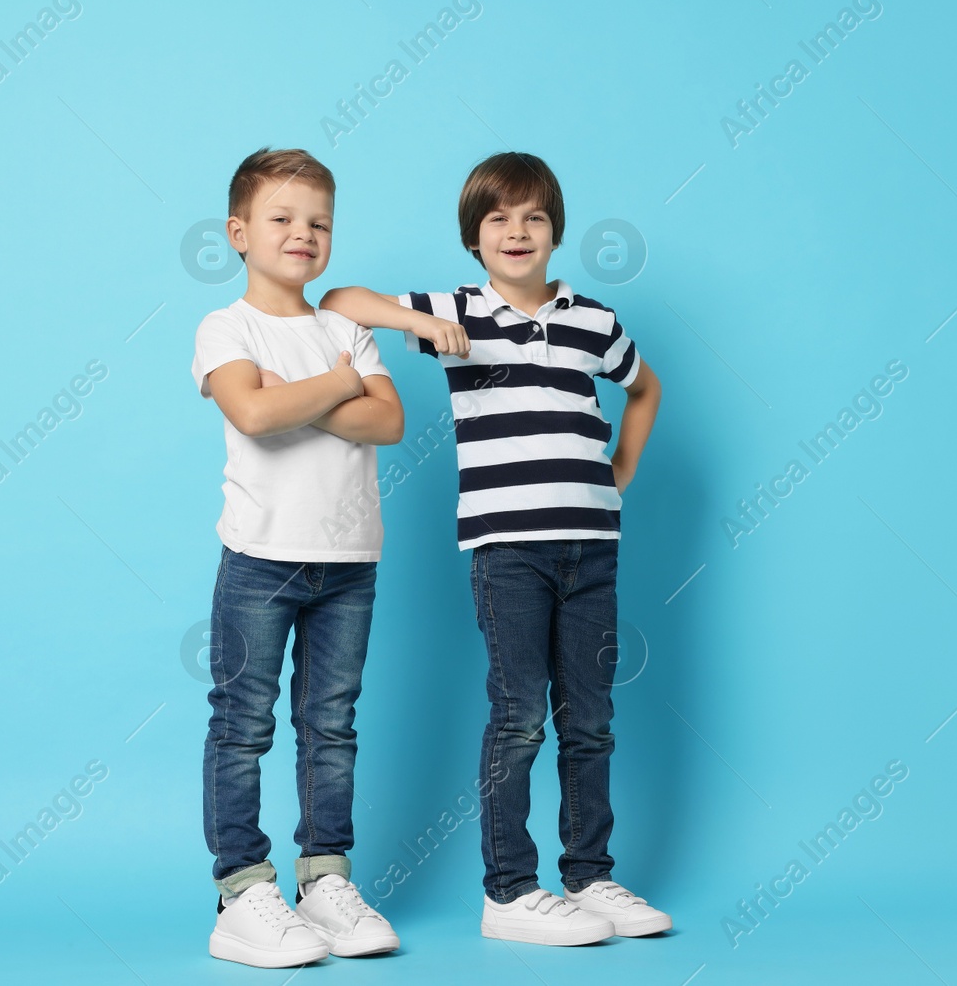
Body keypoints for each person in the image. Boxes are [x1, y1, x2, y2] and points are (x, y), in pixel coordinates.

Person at [319, 151, 671, 945]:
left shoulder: (593, 319)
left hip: (592, 546)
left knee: (591, 718)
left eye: (534, 217)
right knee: (518, 716)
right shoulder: (461, 314)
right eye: (498, 219)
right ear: (474, 239)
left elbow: (644, 387)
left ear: (556, 231)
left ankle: (590, 875)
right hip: (507, 550)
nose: (518, 231)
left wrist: (621, 469)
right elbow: (340, 299)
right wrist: (418, 323)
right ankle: (510, 889)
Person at [191, 147, 404, 967]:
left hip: (350, 560)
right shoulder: (225, 327)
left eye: (318, 222)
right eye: (281, 218)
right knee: (242, 726)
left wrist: (301, 393)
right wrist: (336, 386)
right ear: (239, 232)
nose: (302, 234)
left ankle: (326, 880)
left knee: (331, 726)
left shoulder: (344, 327)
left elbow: (387, 422)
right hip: (259, 559)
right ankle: (243, 890)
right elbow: (251, 412)